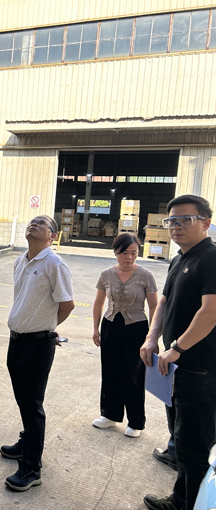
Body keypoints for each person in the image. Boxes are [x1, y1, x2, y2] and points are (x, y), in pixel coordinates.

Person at [140, 194, 216, 510]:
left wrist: (178, 347)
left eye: (186, 219)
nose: (176, 226)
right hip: (175, 368)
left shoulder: (211, 258)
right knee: (181, 440)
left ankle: (190, 505)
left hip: (200, 370)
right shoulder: (179, 259)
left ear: (206, 223)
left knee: (195, 448)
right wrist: (152, 337)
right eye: (172, 220)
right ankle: (181, 500)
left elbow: (210, 312)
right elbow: (163, 303)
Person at [1, 215, 75, 492]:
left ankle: (32, 468)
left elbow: (67, 304)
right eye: (32, 221)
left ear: (52, 236)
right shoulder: (21, 261)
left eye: (42, 223)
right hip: (17, 340)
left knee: (32, 404)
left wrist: (47, 328)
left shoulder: (54, 264)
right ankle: (26, 443)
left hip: (37, 343)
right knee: (23, 399)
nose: (34, 224)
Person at [91, 233, 158, 438]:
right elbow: (99, 302)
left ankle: (135, 422)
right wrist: (95, 328)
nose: (129, 257)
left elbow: (155, 307)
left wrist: (152, 336)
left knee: (133, 374)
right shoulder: (106, 274)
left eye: (134, 253)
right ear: (115, 252)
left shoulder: (146, 275)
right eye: (125, 253)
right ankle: (110, 415)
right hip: (111, 326)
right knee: (110, 370)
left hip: (136, 328)